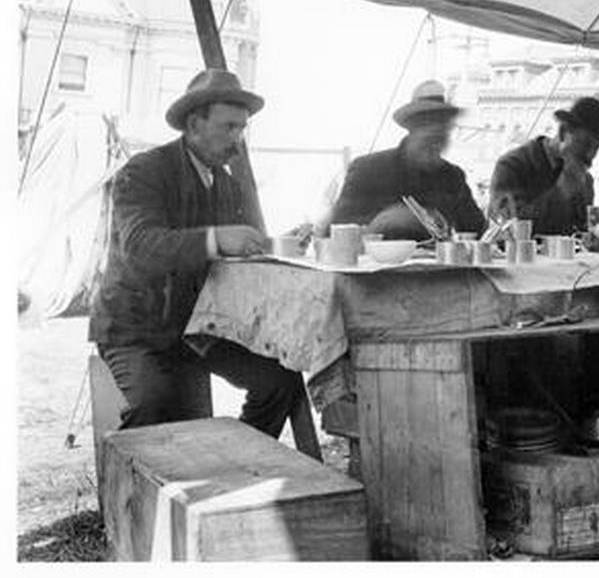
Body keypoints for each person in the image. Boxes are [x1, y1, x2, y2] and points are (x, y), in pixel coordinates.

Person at [89, 69, 308, 437]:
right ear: (194, 125)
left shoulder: (225, 184)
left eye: (242, 129)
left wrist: (272, 245)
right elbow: (141, 246)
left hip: (195, 327)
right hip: (134, 330)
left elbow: (232, 249)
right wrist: (217, 239)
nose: (237, 139)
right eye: (229, 127)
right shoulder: (142, 172)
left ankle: (236, 463)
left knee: (280, 381)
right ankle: (132, 489)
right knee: (154, 404)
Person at [322, 80, 485, 239]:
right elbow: (332, 232)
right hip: (379, 265)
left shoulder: (452, 177)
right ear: (411, 127)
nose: (436, 132)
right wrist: (381, 223)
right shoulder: (368, 169)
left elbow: (479, 232)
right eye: (428, 125)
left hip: (437, 266)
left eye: (442, 127)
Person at [488, 97, 599, 235]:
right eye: (584, 144)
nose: (590, 155)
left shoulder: (585, 180)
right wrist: (561, 192)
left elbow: (581, 231)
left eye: (597, 147)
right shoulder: (512, 166)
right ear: (563, 132)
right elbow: (510, 226)